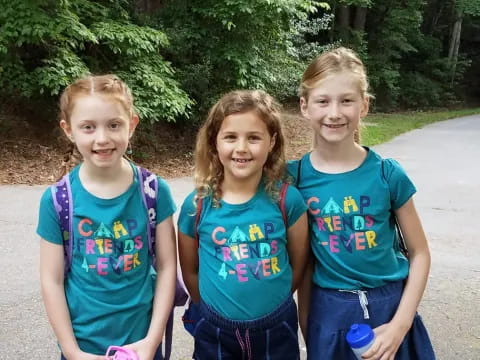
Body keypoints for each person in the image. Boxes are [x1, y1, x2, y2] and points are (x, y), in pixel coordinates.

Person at [290, 47, 436, 359]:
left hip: (391, 311)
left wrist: (400, 325)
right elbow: (303, 266)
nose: (334, 112)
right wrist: (309, 329)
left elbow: (420, 252)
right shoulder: (295, 178)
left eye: (346, 100)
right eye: (323, 101)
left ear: (364, 105)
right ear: (305, 106)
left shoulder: (387, 174)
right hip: (329, 314)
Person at [37, 75, 177, 360]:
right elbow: (50, 281)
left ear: (132, 125)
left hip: (141, 347)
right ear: (68, 130)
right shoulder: (58, 200)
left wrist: (152, 340)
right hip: (83, 347)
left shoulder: (153, 191)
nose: (102, 138)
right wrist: (72, 352)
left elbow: (166, 267)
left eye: (114, 125)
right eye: (88, 127)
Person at [177, 90, 309, 359]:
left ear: (271, 141)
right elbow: (190, 271)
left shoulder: (288, 201)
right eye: (230, 137)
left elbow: (298, 264)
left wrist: (276, 301)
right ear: (214, 142)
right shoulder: (196, 206)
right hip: (215, 331)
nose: (241, 148)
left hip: (277, 327)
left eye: (253, 138)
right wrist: (210, 311)